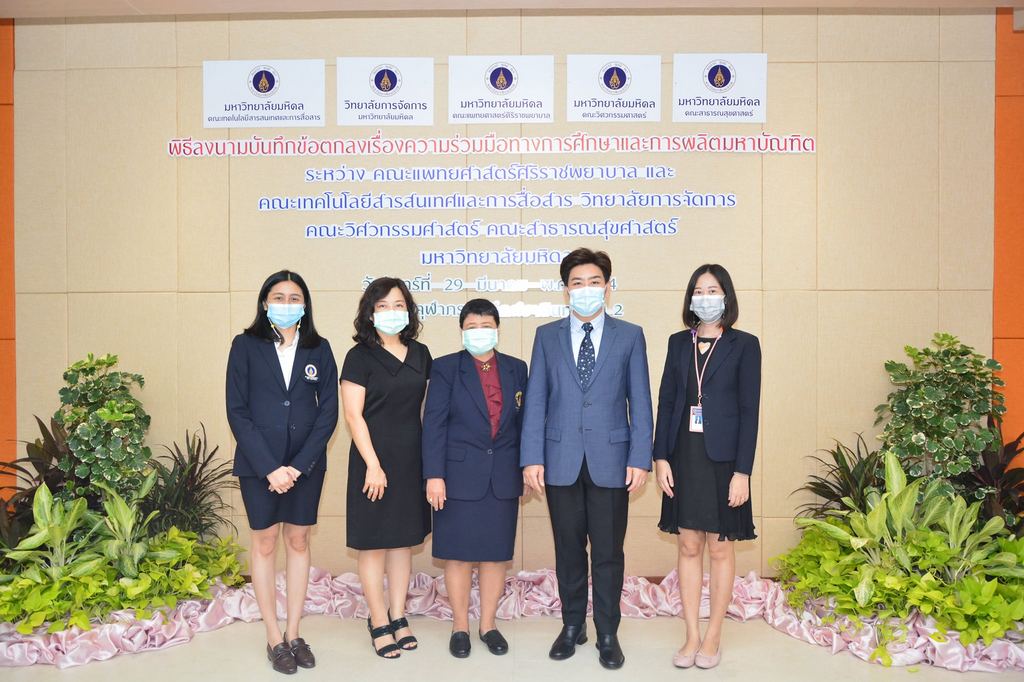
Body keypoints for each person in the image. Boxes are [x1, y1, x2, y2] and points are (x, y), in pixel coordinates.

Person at [520, 248, 654, 670]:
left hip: (612, 462)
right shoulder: (546, 337)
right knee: (568, 549)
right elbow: (536, 401)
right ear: (565, 291)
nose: (585, 289)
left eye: (594, 281)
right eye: (576, 283)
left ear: (608, 287)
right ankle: (572, 625)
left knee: (609, 552)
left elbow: (641, 403)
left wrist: (640, 458)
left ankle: (608, 633)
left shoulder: (629, 335)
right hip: (559, 459)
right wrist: (530, 458)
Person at [226, 269, 338, 675]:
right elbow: (236, 410)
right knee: (266, 542)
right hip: (260, 465)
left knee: (299, 539)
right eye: (279, 296)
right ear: (264, 302)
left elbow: (328, 413)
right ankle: (273, 636)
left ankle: (294, 632)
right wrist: (271, 467)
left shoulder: (319, 348)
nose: (287, 304)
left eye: (294, 298)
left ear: (305, 305)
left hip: (305, 465)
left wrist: (297, 465)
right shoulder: (245, 345)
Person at [653, 264, 761, 670]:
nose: (706, 297)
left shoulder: (745, 345)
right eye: (699, 290)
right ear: (690, 298)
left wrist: (743, 472)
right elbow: (666, 402)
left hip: (724, 462)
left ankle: (713, 634)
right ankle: (691, 635)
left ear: (726, 297)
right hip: (683, 457)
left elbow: (750, 412)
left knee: (719, 548)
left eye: (713, 290)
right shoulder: (678, 343)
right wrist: (660, 455)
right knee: (687, 545)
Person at [421, 299, 528, 659]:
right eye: (472, 326)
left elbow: (525, 424)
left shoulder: (517, 368)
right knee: (458, 557)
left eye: (486, 325)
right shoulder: (446, 368)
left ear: (497, 329)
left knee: (496, 556)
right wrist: (434, 475)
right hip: (456, 475)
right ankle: (460, 626)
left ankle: (488, 624)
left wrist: (527, 466)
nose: (479, 331)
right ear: (462, 330)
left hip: (503, 475)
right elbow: (433, 425)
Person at [340, 277, 432, 660]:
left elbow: (427, 410)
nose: (391, 312)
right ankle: (378, 620)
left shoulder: (422, 353)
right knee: (374, 543)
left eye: (398, 305)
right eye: (382, 306)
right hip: (372, 462)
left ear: (408, 311)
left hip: (412, 460)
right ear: (369, 312)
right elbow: (353, 415)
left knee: (403, 541)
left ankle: (398, 614)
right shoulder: (359, 357)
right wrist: (373, 465)